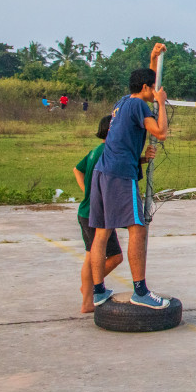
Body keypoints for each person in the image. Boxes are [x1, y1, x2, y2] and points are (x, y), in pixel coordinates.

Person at [88, 42, 170, 309]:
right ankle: (140, 291)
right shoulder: (139, 106)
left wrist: (153, 57)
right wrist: (161, 103)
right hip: (120, 175)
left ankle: (98, 290)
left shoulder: (122, 102)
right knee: (137, 228)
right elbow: (160, 132)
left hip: (103, 171)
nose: (154, 89)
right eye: (152, 87)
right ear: (146, 89)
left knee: (102, 232)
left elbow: (147, 80)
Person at [73, 116, 125, 313]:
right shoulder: (109, 152)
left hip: (88, 211)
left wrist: (88, 191)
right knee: (106, 257)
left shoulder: (96, 151)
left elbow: (77, 170)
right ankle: (89, 293)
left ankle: (89, 293)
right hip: (95, 213)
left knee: (102, 256)